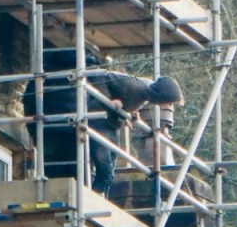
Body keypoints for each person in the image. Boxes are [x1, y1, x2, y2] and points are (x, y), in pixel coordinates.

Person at [23, 49, 183, 196]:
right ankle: (94, 197)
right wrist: (109, 100)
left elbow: (124, 99)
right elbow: (99, 78)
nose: (167, 106)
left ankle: (89, 195)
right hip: (95, 120)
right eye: (169, 102)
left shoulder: (143, 91)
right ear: (163, 96)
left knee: (94, 165)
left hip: (95, 120)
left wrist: (128, 114)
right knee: (105, 167)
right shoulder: (136, 88)